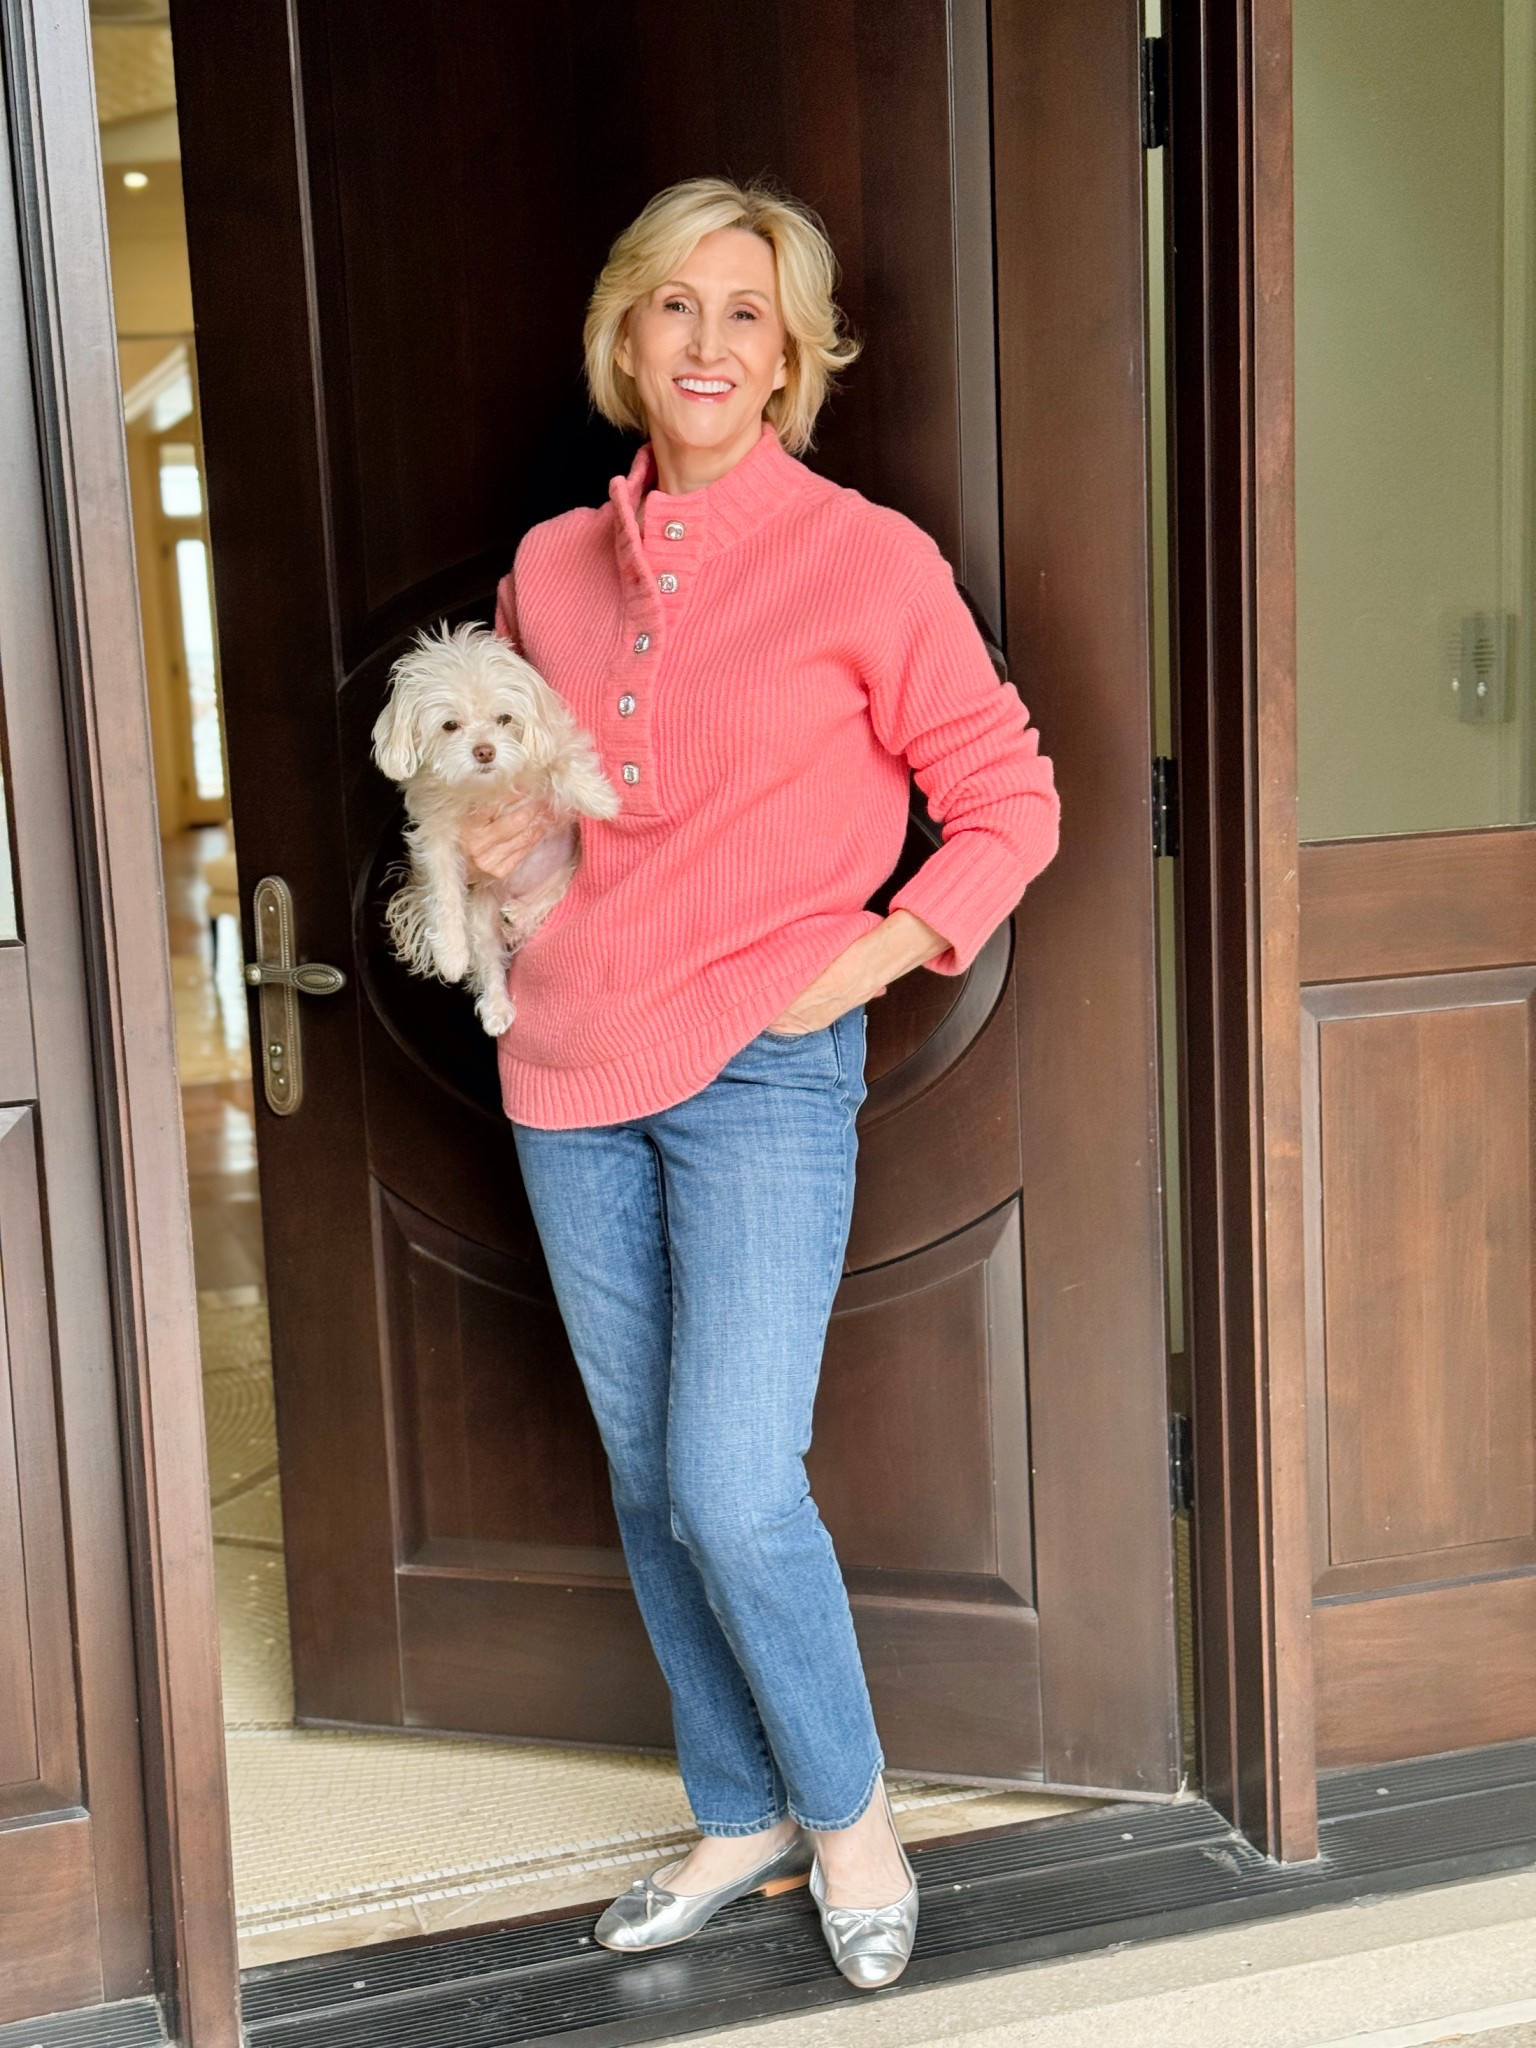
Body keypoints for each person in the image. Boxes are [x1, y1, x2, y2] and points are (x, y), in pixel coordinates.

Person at [461, 177, 1061, 1988]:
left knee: (732, 1477)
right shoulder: (550, 571)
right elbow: (552, 808)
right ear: (623, 338)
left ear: (792, 356)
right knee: (651, 1479)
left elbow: (1011, 797)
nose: (709, 343)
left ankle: (851, 1817)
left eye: (749, 312)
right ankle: (738, 1813)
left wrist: (870, 956)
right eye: (675, 307)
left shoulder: (866, 558)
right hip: (565, 1065)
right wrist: (502, 852)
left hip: (762, 1074)